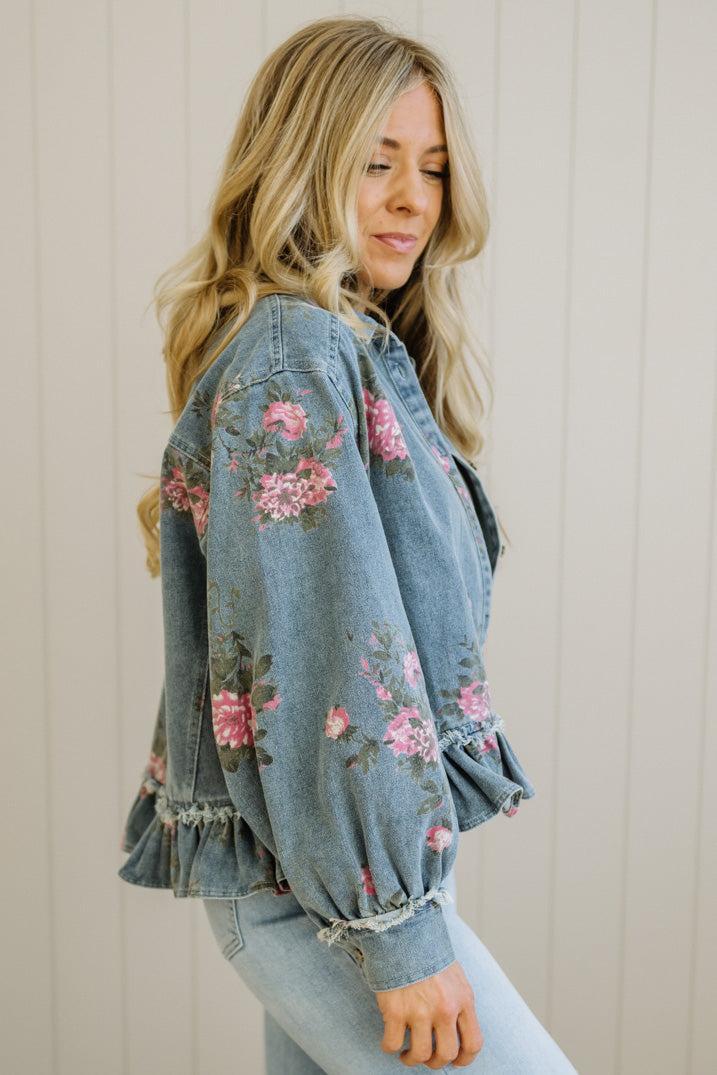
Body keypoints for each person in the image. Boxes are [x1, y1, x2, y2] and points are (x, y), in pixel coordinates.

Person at [118, 14, 578, 1073]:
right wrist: (398, 930)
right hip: (331, 896)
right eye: (376, 163)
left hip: (339, 877)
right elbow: (334, 662)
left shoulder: (346, 347)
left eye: (433, 166)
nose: (415, 198)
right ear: (300, 166)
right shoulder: (297, 352)